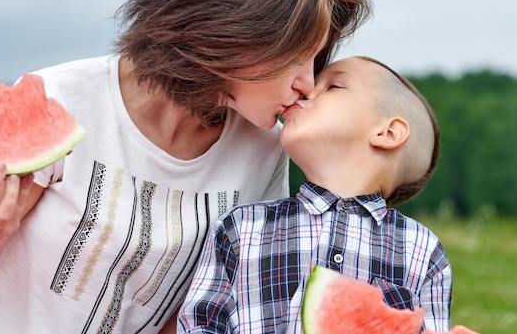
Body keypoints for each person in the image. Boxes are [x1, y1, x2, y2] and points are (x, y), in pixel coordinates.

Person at [0, 0, 371, 333]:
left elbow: (196, 311)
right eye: (296, 55)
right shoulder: (59, 99)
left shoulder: (265, 150)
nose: (307, 84)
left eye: (316, 59)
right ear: (229, 30)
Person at [177, 56, 452, 333]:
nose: (306, 89)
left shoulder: (422, 250)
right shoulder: (241, 227)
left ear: (388, 132)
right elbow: (200, 323)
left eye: (334, 86)